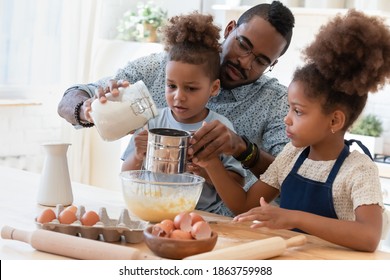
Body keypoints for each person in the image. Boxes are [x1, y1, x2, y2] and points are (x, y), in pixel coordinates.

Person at [195, 10, 390, 252]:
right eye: (289, 108)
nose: (286, 119)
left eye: (298, 111)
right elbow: (245, 205)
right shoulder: (291, 156)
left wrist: (294, 217)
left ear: (335, 121)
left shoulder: (359, 169)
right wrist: (210, 162)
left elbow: (369, 236)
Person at [57, 1, 295, 190]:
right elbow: (69, 99)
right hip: (153, 208)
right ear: (230, 29)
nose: (245, 61)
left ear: (272, 64)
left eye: (261, 60)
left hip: (228, 226)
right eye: (243, 44)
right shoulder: (164, 67)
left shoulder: (276, 103)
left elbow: (291, 178)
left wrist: (244, 149)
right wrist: (89, 109)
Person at [121, 12, 245, 216]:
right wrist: (137, 155)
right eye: (171, 86)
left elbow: (237, 182)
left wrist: (204, 171)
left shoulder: (218, 128)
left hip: (201, 216)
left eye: (191, 89)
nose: (179, 97)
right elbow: (127, 176)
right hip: (153, 210)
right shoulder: (152, 121)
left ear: (213, 88)